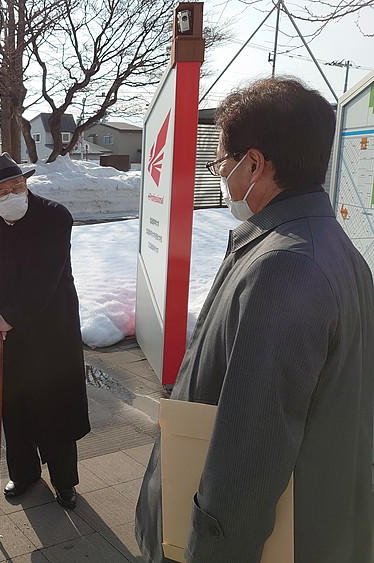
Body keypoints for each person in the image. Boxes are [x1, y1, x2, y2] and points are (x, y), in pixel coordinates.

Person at [136, 77, 374, 563]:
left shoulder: (286, 265)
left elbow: (252, 449)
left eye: (221, 163)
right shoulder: (332, 248)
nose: (220, 175)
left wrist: (212, 550)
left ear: (255, 163)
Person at [0, 153, 90, 509]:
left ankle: (65, 481)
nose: (11, 195)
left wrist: (10, 315)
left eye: (16, 187)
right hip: (6, 331)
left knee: (55, 404)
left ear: (26, 184)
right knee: (14, 405)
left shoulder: (54, 215)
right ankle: (24, 474)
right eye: (1, 192)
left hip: (51, 326)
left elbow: (47, 277)